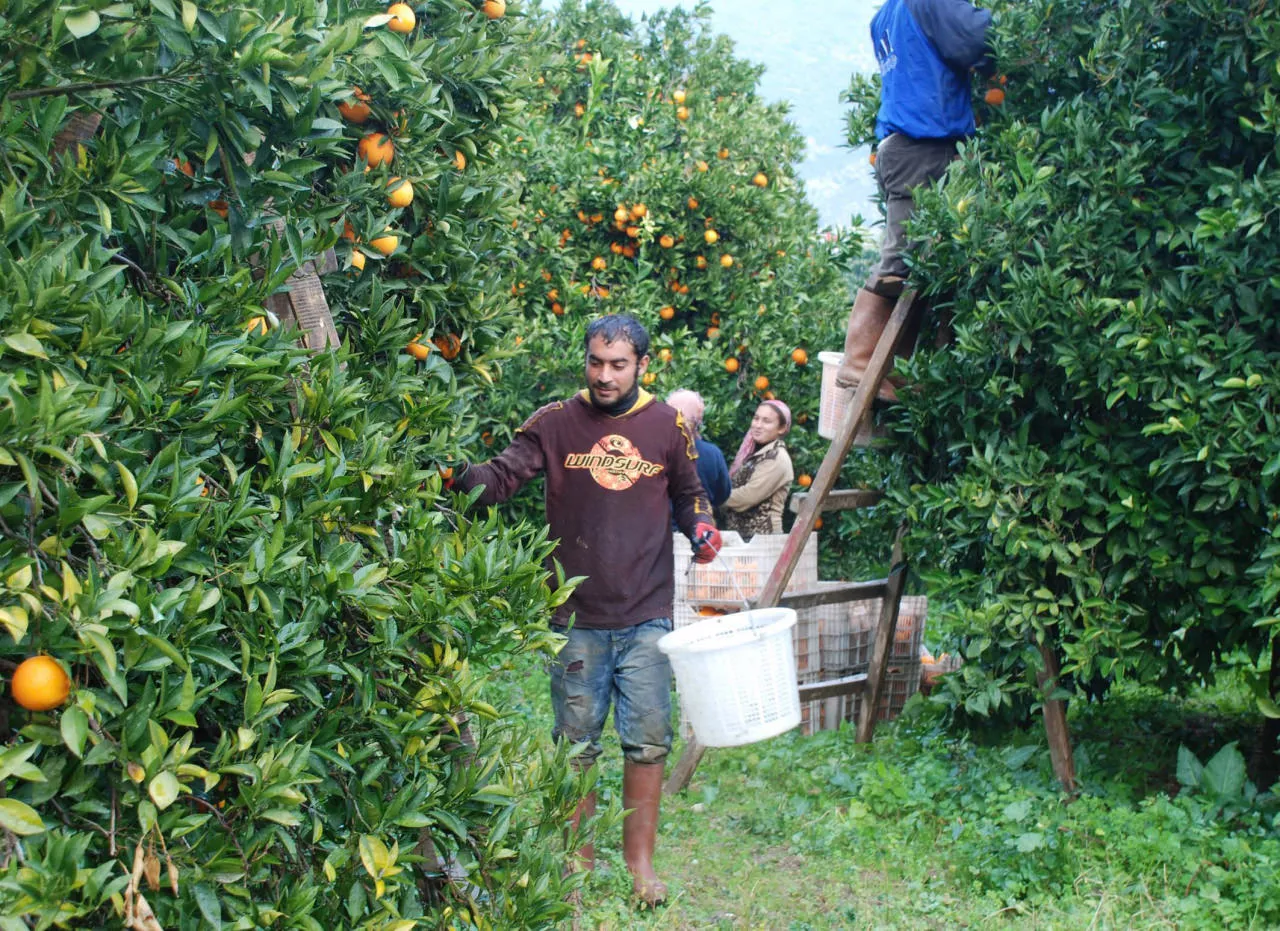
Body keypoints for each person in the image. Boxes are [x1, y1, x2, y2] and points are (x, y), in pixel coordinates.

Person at [450, 313, 721, 907]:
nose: (604, 375)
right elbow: (499, 479)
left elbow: (688, 492)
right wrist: (453, 474)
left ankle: (640, 866)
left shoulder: (667, 425)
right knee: (577, 743)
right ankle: (577, 863)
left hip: (647, 611)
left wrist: (700, 525)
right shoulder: (555, 423)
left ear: (642, 366)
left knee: (648, 739)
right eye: (596, 362)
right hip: (573, 617)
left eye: (617, 364)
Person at [835, 0, 995, 399]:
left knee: (925, 267)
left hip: (904, 146)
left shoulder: (885, 15)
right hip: (923, 147)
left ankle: (896, 371)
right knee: (902, 262)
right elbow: (976, 40)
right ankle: (860, 363)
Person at [719, 399, 795, 540]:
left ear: (782, 428)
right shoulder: (751, 453)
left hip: (764, 539)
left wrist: (712, 496)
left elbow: (748, 496)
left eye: (766, 421)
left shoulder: (776, 458)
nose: (758, 425)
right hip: (743, 539)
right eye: (756, 418)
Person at [666, 389, 731, 510]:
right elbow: (722, 495)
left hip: (662, 527)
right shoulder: (712, 454)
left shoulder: (654, 451)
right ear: (699, 420)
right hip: (699, 524)